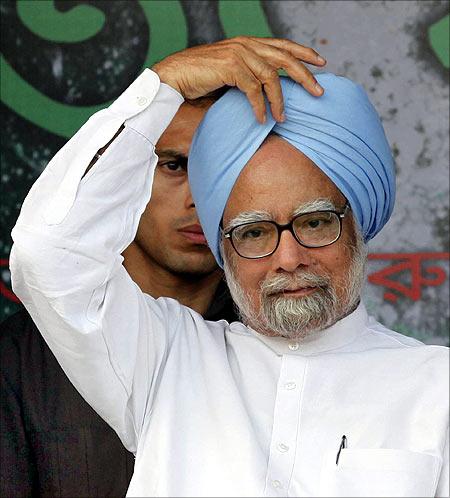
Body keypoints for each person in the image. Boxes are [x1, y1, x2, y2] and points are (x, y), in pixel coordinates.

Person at [9, 36, 448, 497]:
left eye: (316, 223)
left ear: (360, 224)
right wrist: (164, 86)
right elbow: (47, 254)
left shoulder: (436, 387)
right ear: (224, 248)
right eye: (253, 232)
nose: (288, 258)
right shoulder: (167, 359)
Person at [0, 94, 237, 496]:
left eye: (226, 170)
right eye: (175, 166)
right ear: (120, 175)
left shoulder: (274, 348)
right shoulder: (18, 357)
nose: (200, 196)